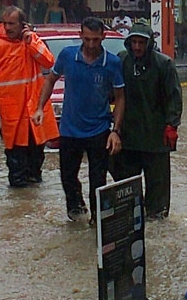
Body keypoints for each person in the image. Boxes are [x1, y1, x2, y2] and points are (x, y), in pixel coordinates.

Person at [33, 17, 124, 224]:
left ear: (103, 36)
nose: (91, 44)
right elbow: (50, 80)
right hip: (69, 130)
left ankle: (97, 220)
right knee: (67, 176)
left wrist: (115, 131)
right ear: (80, 36)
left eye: (95, 40)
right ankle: (76, 210)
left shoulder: (112, 63)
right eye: (87, 39)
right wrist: (40, 108)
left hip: (99, 129)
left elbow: (120, 98)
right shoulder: (67, 56)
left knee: (98, 180)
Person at [0, 6, 59, 188]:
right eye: (5, 23)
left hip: (34, 114)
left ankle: (32, 210)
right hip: (14, 115)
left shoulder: (32, 41)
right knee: (17, 169)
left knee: (36, 167)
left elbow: (49, 61)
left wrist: (31, 42)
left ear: (23, 25)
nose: (7, 27)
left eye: (12, 23)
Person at [110, 22, 182, 220]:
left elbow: (174, 98)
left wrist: (171, 125)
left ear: (149, 43)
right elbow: (111, 93)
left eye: (141, 42)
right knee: (126, 184)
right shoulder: (122, 61)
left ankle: (156, 218)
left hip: (156, 137)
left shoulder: (164, 64)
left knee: (158, 188)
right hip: (128, 135)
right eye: (133, 42)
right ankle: (131, 215)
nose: (137, 47)